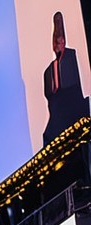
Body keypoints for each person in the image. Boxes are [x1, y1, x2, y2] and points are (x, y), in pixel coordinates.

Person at [44, 10, 90, 145]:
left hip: (74, 119)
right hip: (60, 127)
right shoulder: (49, 72)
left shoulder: (69, 60)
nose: (58, 43)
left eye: (61, 40)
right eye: (56, 41)